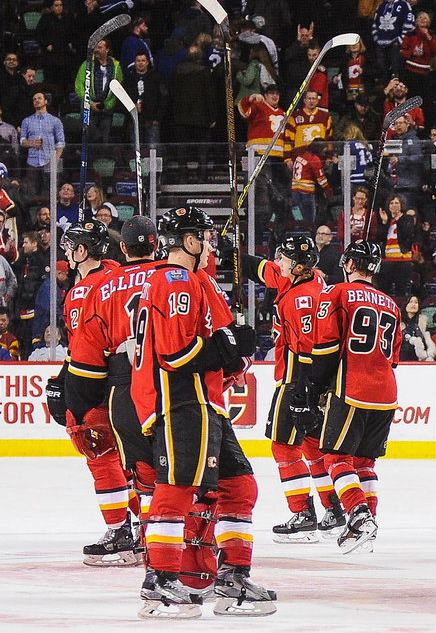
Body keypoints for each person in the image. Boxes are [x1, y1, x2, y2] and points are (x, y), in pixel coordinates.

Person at [131, 208, 272, 618]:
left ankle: (232, 578)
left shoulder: (191, 281)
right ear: (188, 241)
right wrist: (226, 346)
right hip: (179, 401)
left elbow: (205, 345)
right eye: (205, 238)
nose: (210, 244)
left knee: (240, 486)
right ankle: (159, 582)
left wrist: (231, 351)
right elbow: (178, 354)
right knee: (175, 489)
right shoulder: (176, 280)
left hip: (205, 401)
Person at [244, 237, 345, 543]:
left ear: (298, 267)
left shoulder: (301, 300)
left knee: (283, 446)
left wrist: (304, 394)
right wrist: (234, 255)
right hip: (315, 381)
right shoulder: (308, 279)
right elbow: (266, 270)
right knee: (312, 446)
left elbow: (308, 349)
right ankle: (334, 509)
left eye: (285, 260)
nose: (280, 263)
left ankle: (303, 513)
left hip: (296, 380)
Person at [45, 221, 133, 567]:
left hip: (105, 380)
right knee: (134, 458)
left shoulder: (82, 293)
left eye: (70, 248)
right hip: (137, 377)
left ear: (82, 252)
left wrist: (75, 394)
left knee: (97, 447)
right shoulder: (119, 272)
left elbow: (86, 350)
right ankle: (145, 530)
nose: (67, 255)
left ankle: (120, 532)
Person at [309, 241, 400, 554]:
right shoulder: (391, 303)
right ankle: (369, 522)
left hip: (352, 388)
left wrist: (315, 386)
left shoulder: (335, 293)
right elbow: (395, 358)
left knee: (335, 458)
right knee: (364, 462)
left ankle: (358, 516)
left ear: (348, 264)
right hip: (386, 391)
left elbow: (325, 347)